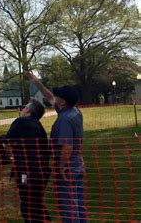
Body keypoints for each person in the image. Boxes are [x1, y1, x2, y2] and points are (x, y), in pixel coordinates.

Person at [25, 71, 87, 222]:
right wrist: (36, 81)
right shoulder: (74, 111)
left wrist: (61, 167)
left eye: (58, 96)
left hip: (67, 167)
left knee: (69, 208)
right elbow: (49, 96)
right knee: (79, 204)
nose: (55, 97)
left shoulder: (65, 119)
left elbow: (66, 146)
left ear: (63, 102)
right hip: (77, 163)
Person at [5, 99, 51, 222]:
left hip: (27, 172)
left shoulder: (20, 122)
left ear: (28, 111)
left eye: (25, 107)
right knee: (36, 202)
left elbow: (6, 142)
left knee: (28, 204)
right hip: (42, 172)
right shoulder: (39, 127)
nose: (22, 109)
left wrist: (12, 157)